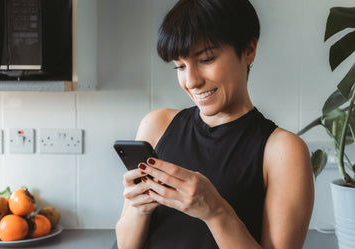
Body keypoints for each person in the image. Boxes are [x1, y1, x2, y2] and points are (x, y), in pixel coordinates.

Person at [115, 0, 314, 248]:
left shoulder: (283, 150)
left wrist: (216, 211)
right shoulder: (156, 125)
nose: (191, 81)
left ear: (249, 50)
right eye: (180, 66)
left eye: (206, 59)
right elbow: (125, 245)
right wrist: (139, 209)